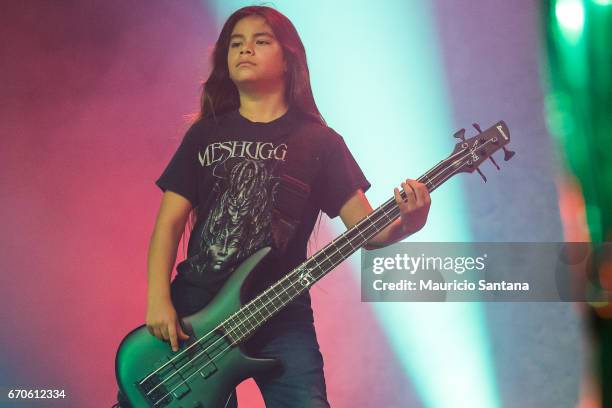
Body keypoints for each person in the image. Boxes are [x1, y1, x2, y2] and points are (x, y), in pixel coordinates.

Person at [120, 5, 431, 408]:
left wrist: (411, 223)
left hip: (281, 313)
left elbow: (369, 232)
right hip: (193, 313)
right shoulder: (205, 134)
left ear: (288, 59)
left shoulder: (321, 143)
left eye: (260, 41)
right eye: (236, 43)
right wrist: (159, 299)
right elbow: (169, 225)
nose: (244, 50)